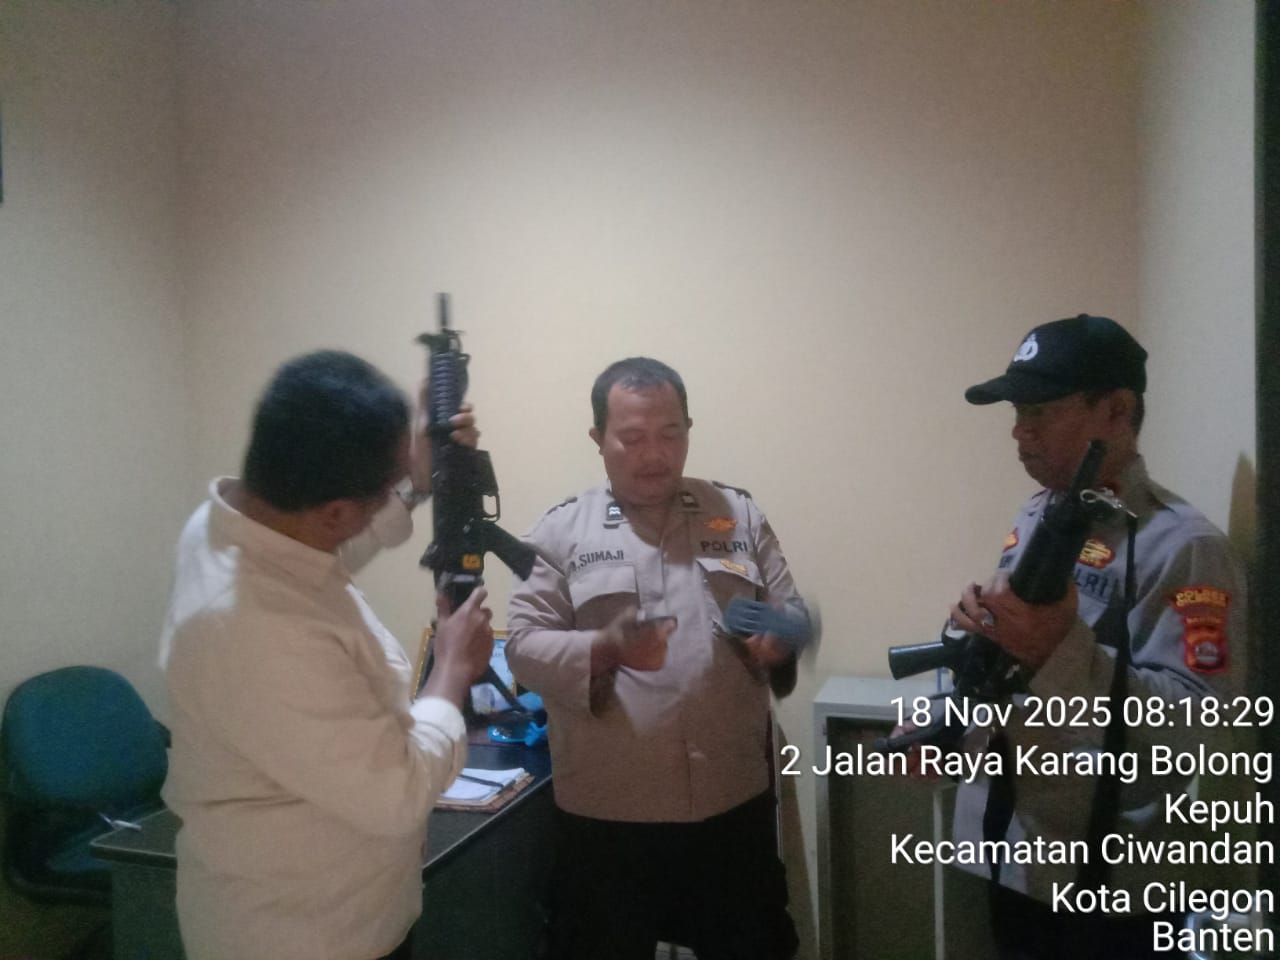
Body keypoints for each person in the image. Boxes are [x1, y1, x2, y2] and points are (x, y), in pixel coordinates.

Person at [158, 350, 495, 960]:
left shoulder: (236, 522)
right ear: (337, 511)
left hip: (338, 910)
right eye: (382, 489)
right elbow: (396, 793)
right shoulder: (257, 629)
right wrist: (450, 671)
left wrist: (418, 479)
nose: (389, 495)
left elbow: (322, 549)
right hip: (301, 935)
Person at [940, 315, 1248, 959]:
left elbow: (1197, 730)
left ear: (1117, 410)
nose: (1019, 430)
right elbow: (1017, 675)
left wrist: (1058, 647)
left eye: (1040, 411)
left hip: (1109, 885)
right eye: (1017, 412)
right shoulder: (1042, 513)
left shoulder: (1186, 546)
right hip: (1012, 852)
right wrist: (954, 713)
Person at [506, 357, 804, 960]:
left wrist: (782, 638)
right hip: (607, 822)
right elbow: (523, 646)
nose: (655, 454)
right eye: (633, 437)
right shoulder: (562, 532)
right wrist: (602, 648)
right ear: (598, 439)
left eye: (671, 434)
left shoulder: (737, 514)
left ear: (689, 429)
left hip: (731, 808)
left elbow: (790, 612)